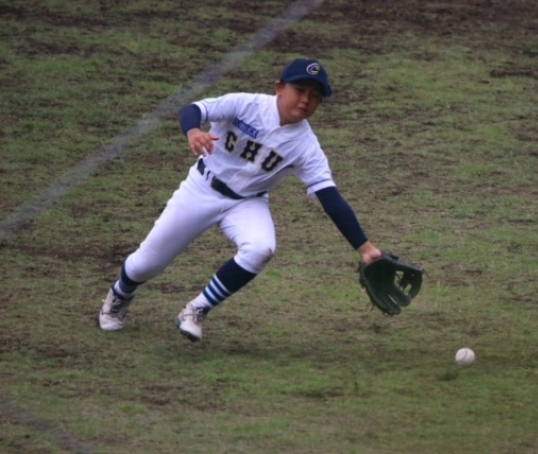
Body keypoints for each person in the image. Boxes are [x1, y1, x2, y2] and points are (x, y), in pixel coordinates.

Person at [99, 58, 383, 342]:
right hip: (201, 189)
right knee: (146, 265)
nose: (306, 100)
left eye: (315, 96)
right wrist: (193, 131)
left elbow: (329, 196)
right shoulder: (246, 104)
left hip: (248, 202)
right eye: (300, 90)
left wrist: (365, 248)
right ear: (279, 87)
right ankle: (120, 295)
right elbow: (194, 110)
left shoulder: (307, 146)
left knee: (261, 248)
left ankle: (197, 309)